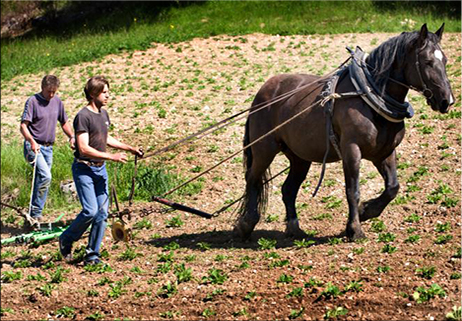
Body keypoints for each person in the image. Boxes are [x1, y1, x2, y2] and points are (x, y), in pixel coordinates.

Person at [59, 75, 143, 266]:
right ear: (93, 93)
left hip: (100, 171)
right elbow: (84, 148)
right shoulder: (83, 116)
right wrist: (112, 156)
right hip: (85, 170)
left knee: (102, 213)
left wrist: (129, 148)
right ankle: (67, 238)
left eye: (107, 92)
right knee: (90, 211)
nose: (108, 96)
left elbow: (105, 138)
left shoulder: (103, 114)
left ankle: (92, 255)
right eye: (104, 92)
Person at [20, 75, 75, 224]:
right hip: (33, 146)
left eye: (54, 92)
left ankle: (32, 216)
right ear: (42, 87)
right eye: (48, 91)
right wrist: (31, 141)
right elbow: (23, 125)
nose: (51, 95)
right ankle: (36, 214)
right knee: (46, 176)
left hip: (48, 148)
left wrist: (71, 136)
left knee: (42, 179)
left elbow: (64, 122)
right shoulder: (33, 101)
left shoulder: (57, 101)